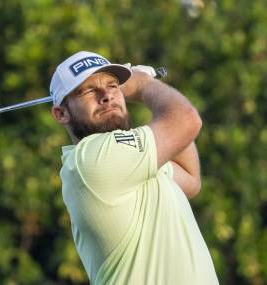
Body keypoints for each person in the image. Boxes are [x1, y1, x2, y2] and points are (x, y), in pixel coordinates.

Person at [49, 51, 219, 285]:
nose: (106, 96)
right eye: (88, 90)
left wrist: (150, 87)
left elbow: (190, 179)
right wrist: (143, 85)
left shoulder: (131, 162)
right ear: (61, 113)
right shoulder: (90, 159)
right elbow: (187, 120)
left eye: (112, 86)